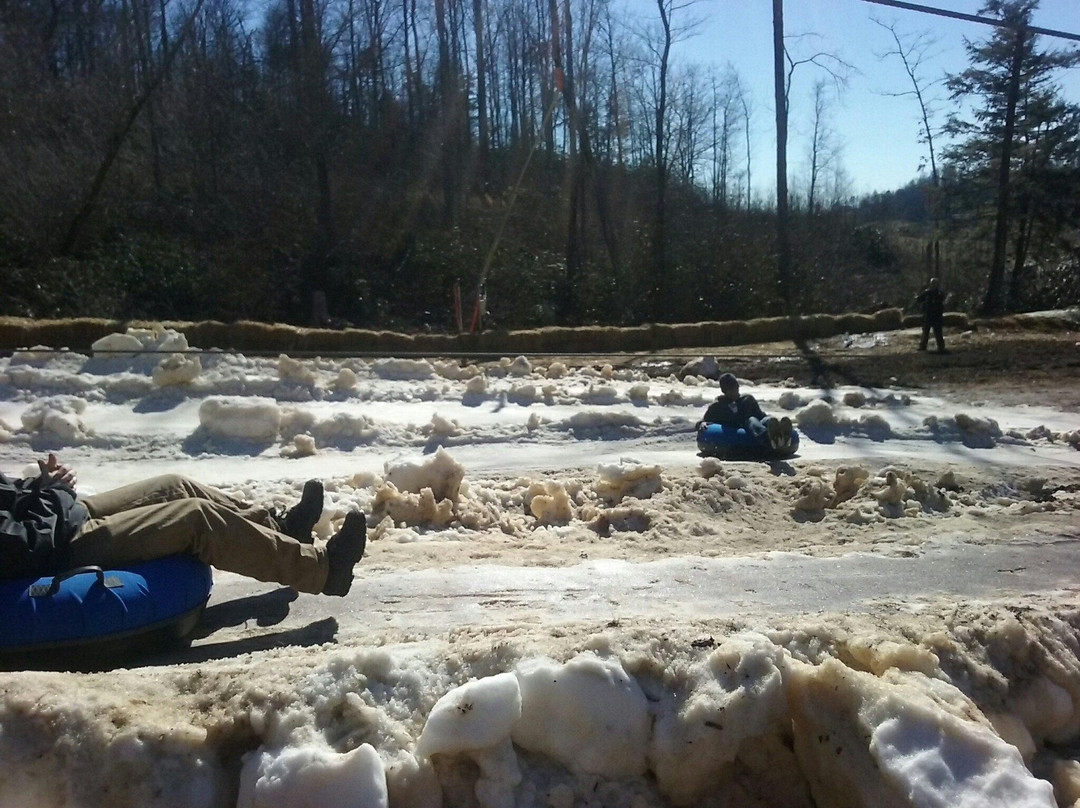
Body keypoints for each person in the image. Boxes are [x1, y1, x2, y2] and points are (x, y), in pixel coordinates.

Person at [0, 454, 366, 597]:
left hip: (56, 517)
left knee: (175, 484)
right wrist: (52, 493)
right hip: (56, 547)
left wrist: (39, 487)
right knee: (196, 518)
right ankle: (323, 570)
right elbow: (23, 546)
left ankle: (281, 530)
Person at [697, 373, 793, 451]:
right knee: (751, 420)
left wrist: (769, 420)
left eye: (736, 387)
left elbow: (760, 415)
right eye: (731, 389)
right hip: (739, 428)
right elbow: (703, 421)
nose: (735, 391)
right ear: (724, 391)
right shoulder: (718, 406)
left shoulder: (747, 399)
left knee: (766, 419)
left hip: (756, 425)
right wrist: (702, 423)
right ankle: (768, 439)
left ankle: (782, 436)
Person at [915, 277, 947, 353]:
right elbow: (919, 300)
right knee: (926, 332)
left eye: (935, 284)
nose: (933, 285)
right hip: (929, 315)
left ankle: (941, 347)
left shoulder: (939, 293)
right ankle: (923, 346)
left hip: (936, 315)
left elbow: (942, 302)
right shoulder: (927, 293)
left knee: (938, 332)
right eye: (932, 284)